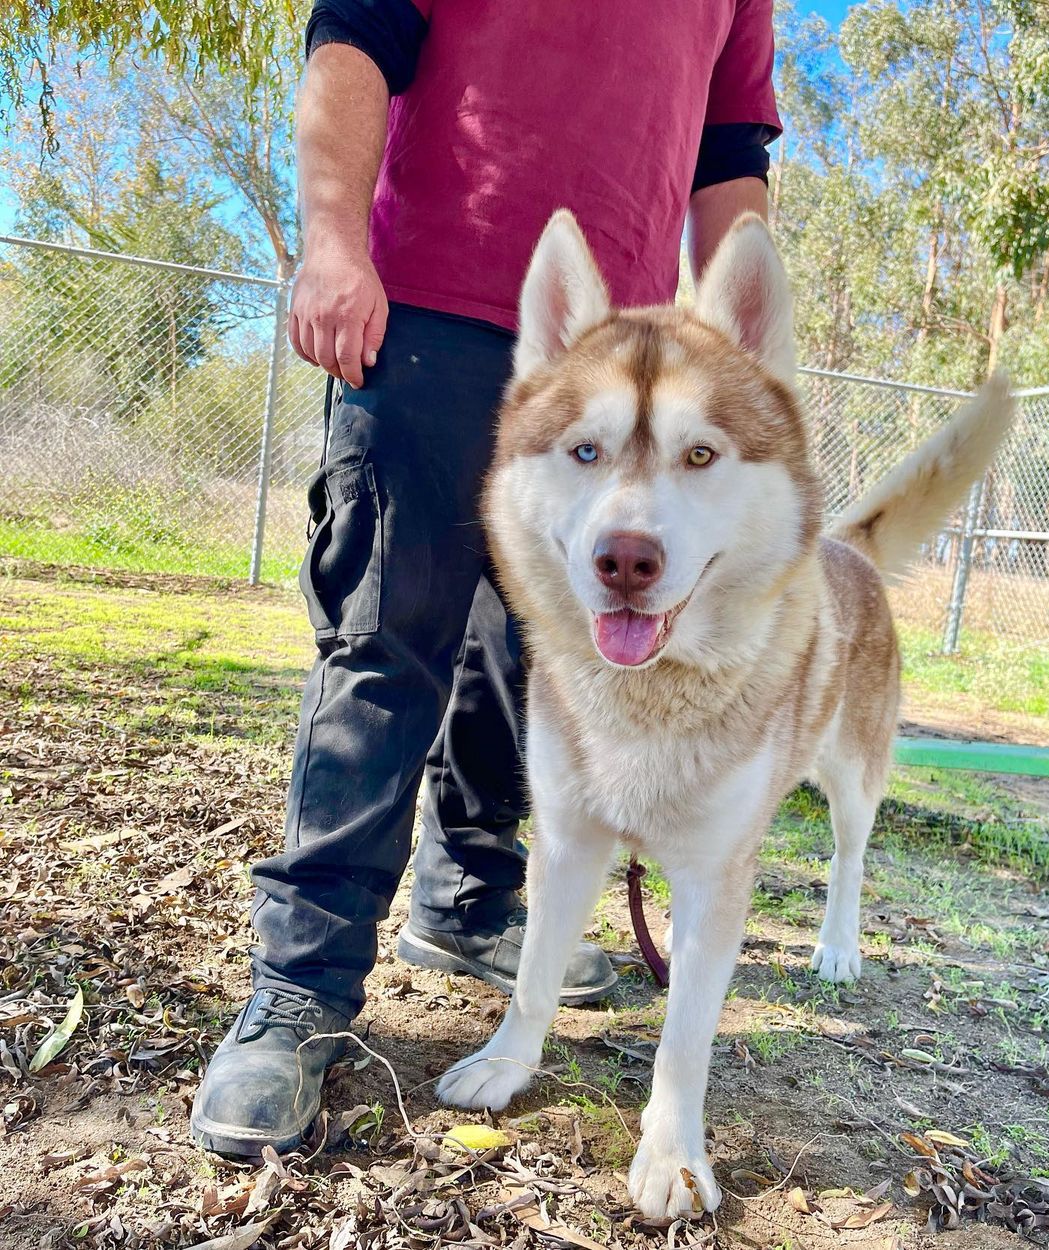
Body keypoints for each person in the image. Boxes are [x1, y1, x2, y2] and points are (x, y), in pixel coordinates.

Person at [191, 0, 782, 1158]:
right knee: (385, 640)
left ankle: (469, 898)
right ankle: (300, 985)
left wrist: (735, 367)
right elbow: (355, 33)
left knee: (547, 656)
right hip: (426, 311)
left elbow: (728, 157)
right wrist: (332, 240)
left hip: (614, 359)